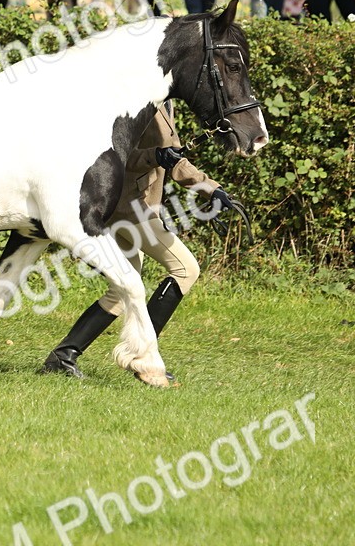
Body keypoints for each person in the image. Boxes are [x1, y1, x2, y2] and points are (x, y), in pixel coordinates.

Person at [40, 101, 238, 380]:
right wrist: (157, 156)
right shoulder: (137, 100)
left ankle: (63, 356)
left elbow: (172, 158)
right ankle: (146, 355)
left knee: (121, 292)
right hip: (128, 208)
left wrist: (211, 188)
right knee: (186, 270)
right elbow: (120, 156)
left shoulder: (165, 101)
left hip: (140, 207)